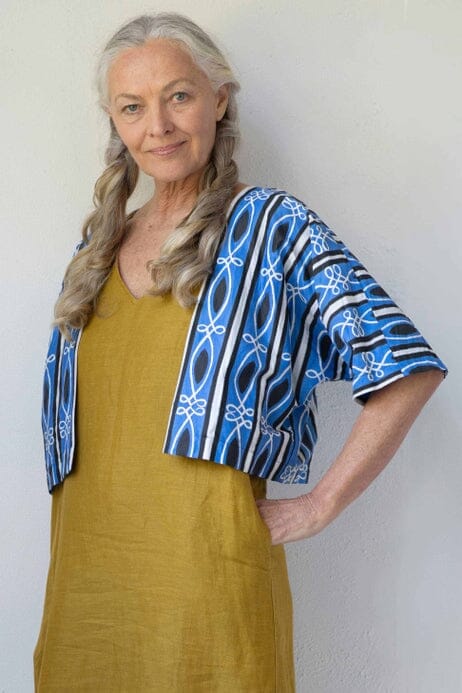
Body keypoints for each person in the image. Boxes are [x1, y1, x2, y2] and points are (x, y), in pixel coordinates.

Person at [33, 12, 447, 692]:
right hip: (87, 594)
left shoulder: (271, 228)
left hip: (210, 594)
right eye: (132, 107)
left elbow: (404, 365)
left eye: (179, 95)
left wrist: (319, 504)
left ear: (218, 98)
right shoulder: (96, 250)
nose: (158, 125)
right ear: (115, 122)